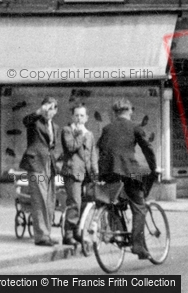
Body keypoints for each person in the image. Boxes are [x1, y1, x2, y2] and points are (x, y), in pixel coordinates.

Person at [97, 98, 158, 259]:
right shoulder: (135, 128)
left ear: (115, 113)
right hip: (130, 172)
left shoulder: (107, 128)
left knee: (114, 201)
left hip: (109, 172)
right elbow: (148, 149)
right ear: (130, 111)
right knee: (139, 206)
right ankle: (138, 245)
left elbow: (101, 148)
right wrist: (154, 168)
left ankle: (117, 230)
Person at [19, 97, 60, 246]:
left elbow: (52, 146)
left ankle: (47, 233)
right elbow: (25, 120)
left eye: (52, 109)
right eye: (46, 108)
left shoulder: (55, 126)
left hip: (49, 164)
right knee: (40, 199)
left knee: (49, 199)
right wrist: (39, 111)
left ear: (55, 111)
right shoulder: (34, 122)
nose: (48, 111)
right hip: (36, 164)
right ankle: (41, 236)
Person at [60, 103, 98, 245]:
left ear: (87, 118)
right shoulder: (67, 130)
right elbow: (71, 147)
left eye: (82, 115)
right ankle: (68, 234)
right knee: (74, 202)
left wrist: (95, 173)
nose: (79, 118)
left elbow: (92, 154)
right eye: (76, 115)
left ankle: (77, 231)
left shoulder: (90, 134)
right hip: (72, 172)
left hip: (87, 174)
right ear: (72, 116)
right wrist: (80, 134)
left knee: (85, 203)